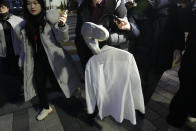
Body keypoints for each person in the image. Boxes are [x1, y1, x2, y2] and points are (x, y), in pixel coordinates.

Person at [18, 0, 80, 120]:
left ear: (41, 5)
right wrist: (21, 60)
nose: (32, 6)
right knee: (39, 83)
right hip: (36, 59)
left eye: (35, 3)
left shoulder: (49, 20)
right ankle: (46, 107)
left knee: (59, 81)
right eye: (29, 4)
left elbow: (63, 38)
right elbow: (24, 46)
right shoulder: (25, 25)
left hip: (53, 58)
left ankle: (75, 97)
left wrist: (62, 26)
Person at [127, 0, 185, 105]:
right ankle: (134, 108)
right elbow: (132, 26)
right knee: (138, 84)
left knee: (150, 86)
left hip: (161, 56)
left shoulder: (172, 7)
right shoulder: (142, 4)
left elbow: (178, 30)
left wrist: (178, 48)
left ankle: (140, 109)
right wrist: (129, 20)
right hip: (141, 54)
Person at [75, 0, 140, 70]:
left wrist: (107, 38)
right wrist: (84, 61)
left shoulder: (116, 4)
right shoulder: (83, 7)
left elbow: (129, 34)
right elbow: (79, 36)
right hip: (91, 61)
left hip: (113, 62)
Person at [167, 0, 196, 130]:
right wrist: (186, 6)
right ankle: (175, 121)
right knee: (186, 89)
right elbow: (185, 25)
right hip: (193, 58)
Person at [0, 0, 24, 95]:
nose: (0, 9)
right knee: (8, 70)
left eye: (2, 7)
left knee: (19, 68)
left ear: (8, 8)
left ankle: (23, 84)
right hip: (4, 50)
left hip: (16, 48)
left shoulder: (17, 20)